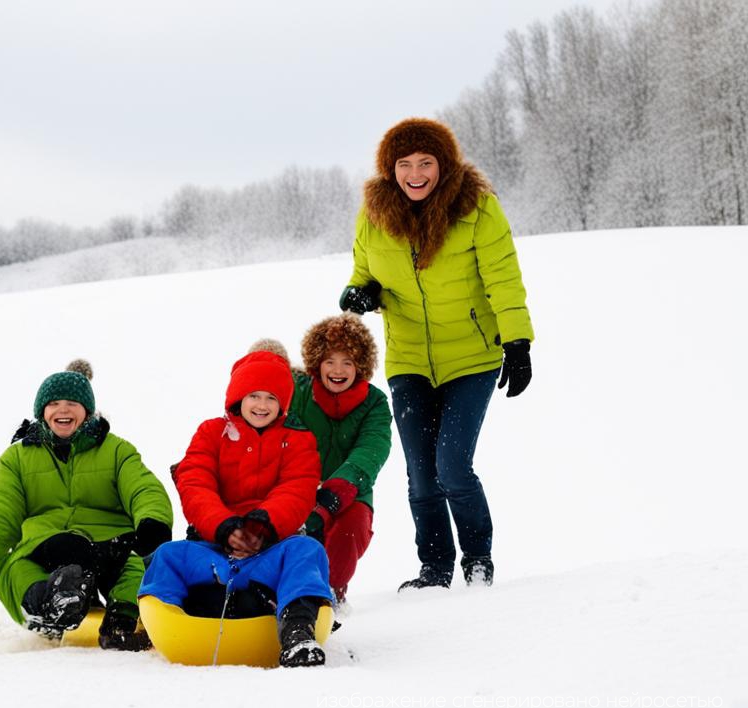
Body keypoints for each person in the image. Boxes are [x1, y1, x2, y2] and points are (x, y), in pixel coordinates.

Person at [340, 117, 534, 590]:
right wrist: (358, 294)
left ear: (444, 165)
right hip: (408, 359)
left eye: (426, 162)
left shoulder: (477, 208)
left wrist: (518, 341)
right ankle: (435, 567)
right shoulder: (374, 213)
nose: (416, 173)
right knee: (421, 474)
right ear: (391, 170)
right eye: (404, 164)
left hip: (471, 357)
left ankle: (478, 559)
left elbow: (503, 278)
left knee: (452, 465)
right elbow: (364, 272)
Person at [0, 360, 173, 650]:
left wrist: (152, 522)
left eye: (72, 403)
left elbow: (142, 487)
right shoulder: (17, 458)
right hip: (45, 544)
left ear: (87, 411)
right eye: (53, 403)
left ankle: (124, 616)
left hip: (107, 544)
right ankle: (47, 601)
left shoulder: (116, 450)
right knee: (13, 566)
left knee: (132, 568)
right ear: (42, 412)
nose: (62, 409)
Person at [139, 350, 332, 667]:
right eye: (254, 395)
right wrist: (225, 526)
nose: (262, 405)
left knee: (307, 550)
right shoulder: (211, 433)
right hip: (214, 553)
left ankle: (297, 631)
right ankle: (162, 623)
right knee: (167, 556)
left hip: (269, 554)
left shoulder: (298, 440)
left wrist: (264, 524)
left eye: (271, 398)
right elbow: (195, 481)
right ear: (238, 398)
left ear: (282, 404)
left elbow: (298, 487)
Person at [289, 315, 392, 608]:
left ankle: (329, 593)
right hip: (300, 487)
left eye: (347, 361)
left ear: (360, 365)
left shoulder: (375, 402)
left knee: (350, 529)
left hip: (351, 490)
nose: (338, 370)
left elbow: (373, 447)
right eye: (330, 361)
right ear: (317, 362)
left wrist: (339, 487)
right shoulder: (299, 392)